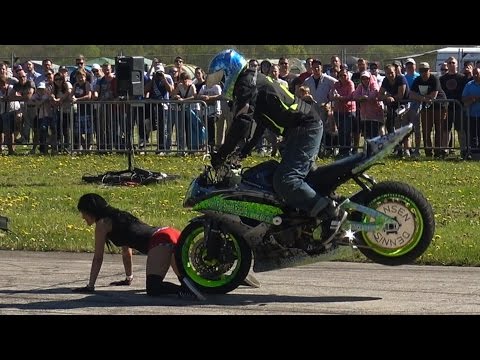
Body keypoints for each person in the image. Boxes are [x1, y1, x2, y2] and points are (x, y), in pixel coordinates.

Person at [206, 49, 347, 265]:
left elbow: (242, 123)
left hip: (304, 127)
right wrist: (244, 151)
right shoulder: (252, 80)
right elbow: (261, 122)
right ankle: (312, 218)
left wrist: (221, 154)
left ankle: (330, 213)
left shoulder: (246, 83)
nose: (222, 82)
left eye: (222, 76)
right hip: (298, 129)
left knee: (286, 180)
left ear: (231, 70)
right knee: (290, 178)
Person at [72, 193, 205, 301]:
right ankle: (193, 287)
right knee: (185, 280)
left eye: (83, 213)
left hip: (161, 240)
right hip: (169, 233)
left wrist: (90, 286)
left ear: (91, 211)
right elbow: (126, 250)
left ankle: (185, 291)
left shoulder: (102, 224)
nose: (82, 217)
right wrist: (128, 277)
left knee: (153, 289)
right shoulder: (117, 216)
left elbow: (98, 258)